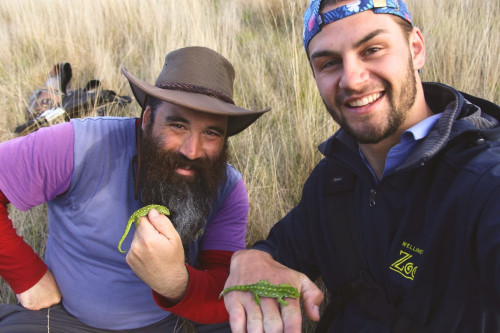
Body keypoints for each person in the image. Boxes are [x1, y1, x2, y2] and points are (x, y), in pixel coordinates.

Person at [221, 0, 500, 332]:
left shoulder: (483, 180)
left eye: (372, 49)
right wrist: (250, 259)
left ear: (416, 49)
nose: (351, 80)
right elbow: (280, 251)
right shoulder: (333, 179)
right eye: (330, 63)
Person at [0, 46, 269, 332]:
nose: (192, 151)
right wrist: (27, 276)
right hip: (64, 319)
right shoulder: (78, 144)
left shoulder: (227, 188)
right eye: (178, 125)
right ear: (148, 119)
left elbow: (223, 280)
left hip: (166, 322)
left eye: (212, 133)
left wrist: (176, 283)